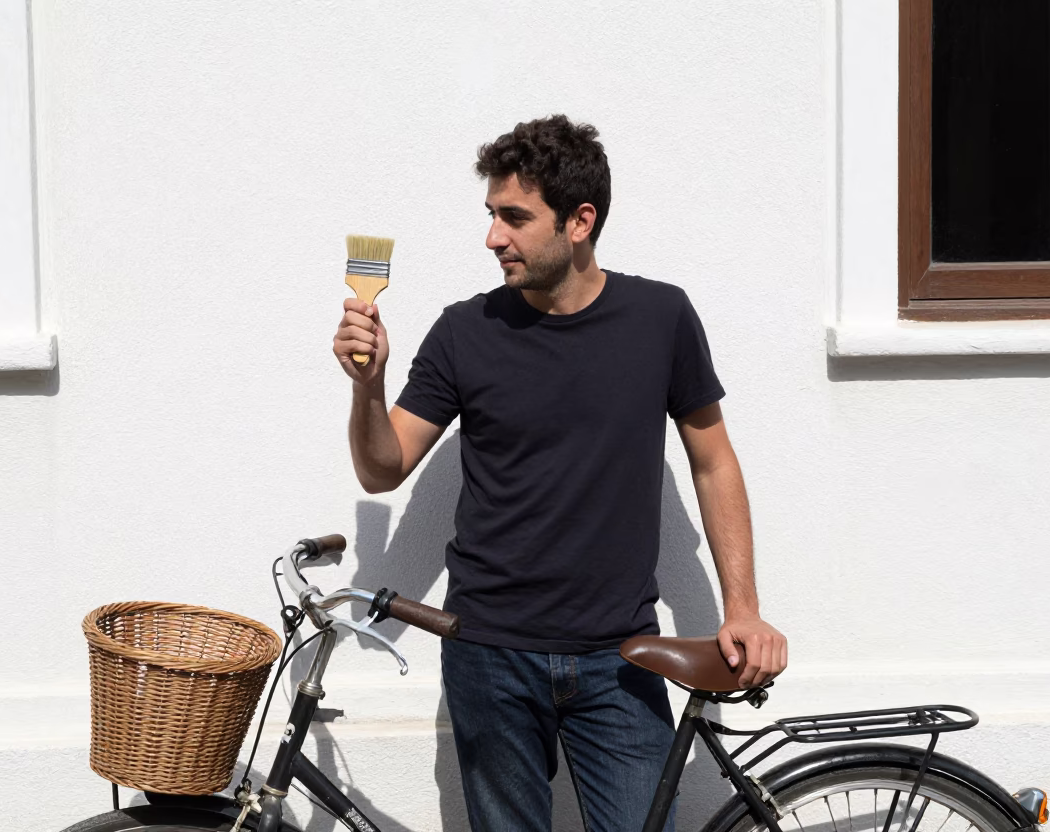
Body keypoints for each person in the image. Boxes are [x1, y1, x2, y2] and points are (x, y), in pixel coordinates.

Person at [332, 114, 788, 832]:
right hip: (489, 655)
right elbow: (383, 468)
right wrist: (368, 384)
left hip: (621, 656)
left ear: (580, 221)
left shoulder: (660, 317)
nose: (492, 238)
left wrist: (742, 607)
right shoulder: (463, 330)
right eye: (490, 216)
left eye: (514, 218)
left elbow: (713, 459)